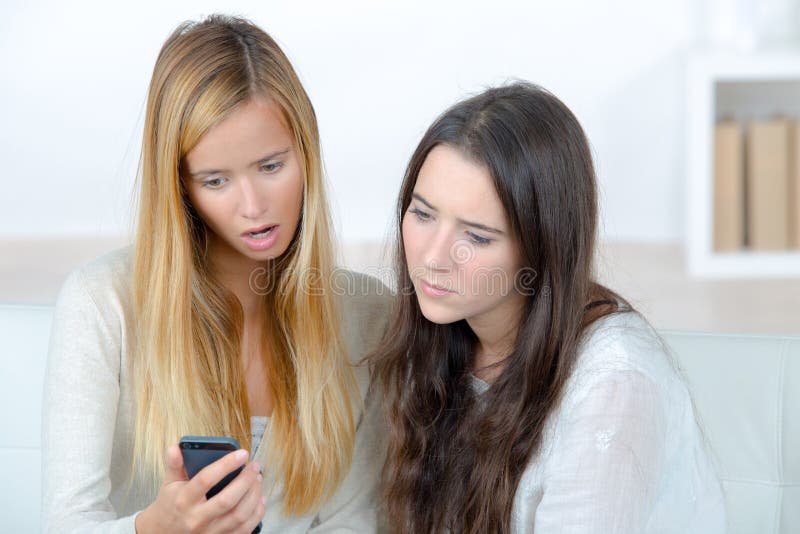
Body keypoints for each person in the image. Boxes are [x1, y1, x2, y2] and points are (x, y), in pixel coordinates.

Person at [41, 14, 391, 533]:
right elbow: (64, 524)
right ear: (179, 185)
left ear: (307, 153)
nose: (253, 206)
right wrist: (153, 528)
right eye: (215, 181)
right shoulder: (101, 303)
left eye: (271, 166)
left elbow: (355, 521)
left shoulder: (369, 313)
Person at [372, 82, 726, 533]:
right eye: (423, 214)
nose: (434, 257)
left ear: (542, 247)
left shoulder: (613, 386)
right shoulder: (445, 330)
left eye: (476, 237)